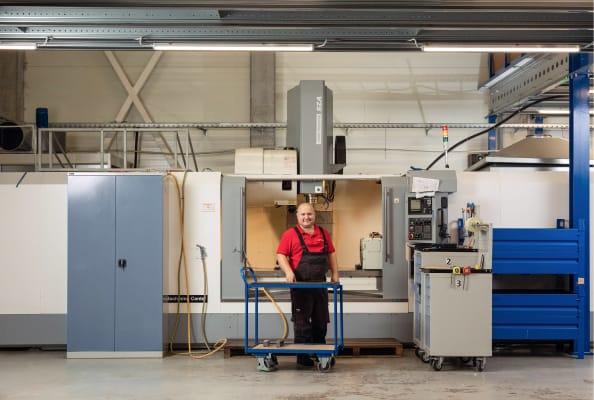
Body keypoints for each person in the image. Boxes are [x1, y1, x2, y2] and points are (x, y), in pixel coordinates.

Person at [276, 202, 339, 367]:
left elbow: (331, 253)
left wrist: (335, 273)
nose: (306, 217)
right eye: (303, 214)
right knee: (302, 323)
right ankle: (304, 358)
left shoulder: (324, 234)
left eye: (309, 214)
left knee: (320, 321)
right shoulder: (290, 234)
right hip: (300, 286)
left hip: (320, 285)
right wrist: (288, 272)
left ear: (314, 215)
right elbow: (281, 255)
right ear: (297, 216)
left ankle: (320, 354)